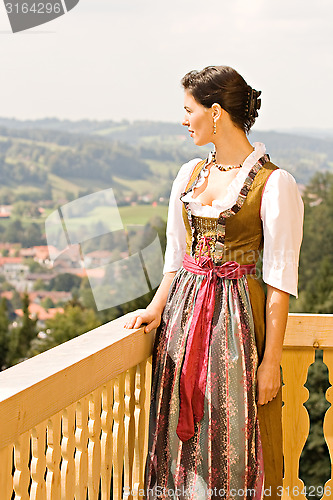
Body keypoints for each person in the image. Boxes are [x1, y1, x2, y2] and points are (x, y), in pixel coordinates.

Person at [124, 65, 304, 499]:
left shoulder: (274, 183)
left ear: (217, 113)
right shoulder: (188, 175)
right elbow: (175, 258)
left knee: (229, 428)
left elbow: (279, 281)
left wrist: (270, 360)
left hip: (236, 321)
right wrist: (155, 308)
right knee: (174, 433)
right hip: (181, 322)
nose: (184, 120)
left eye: (190, 110)